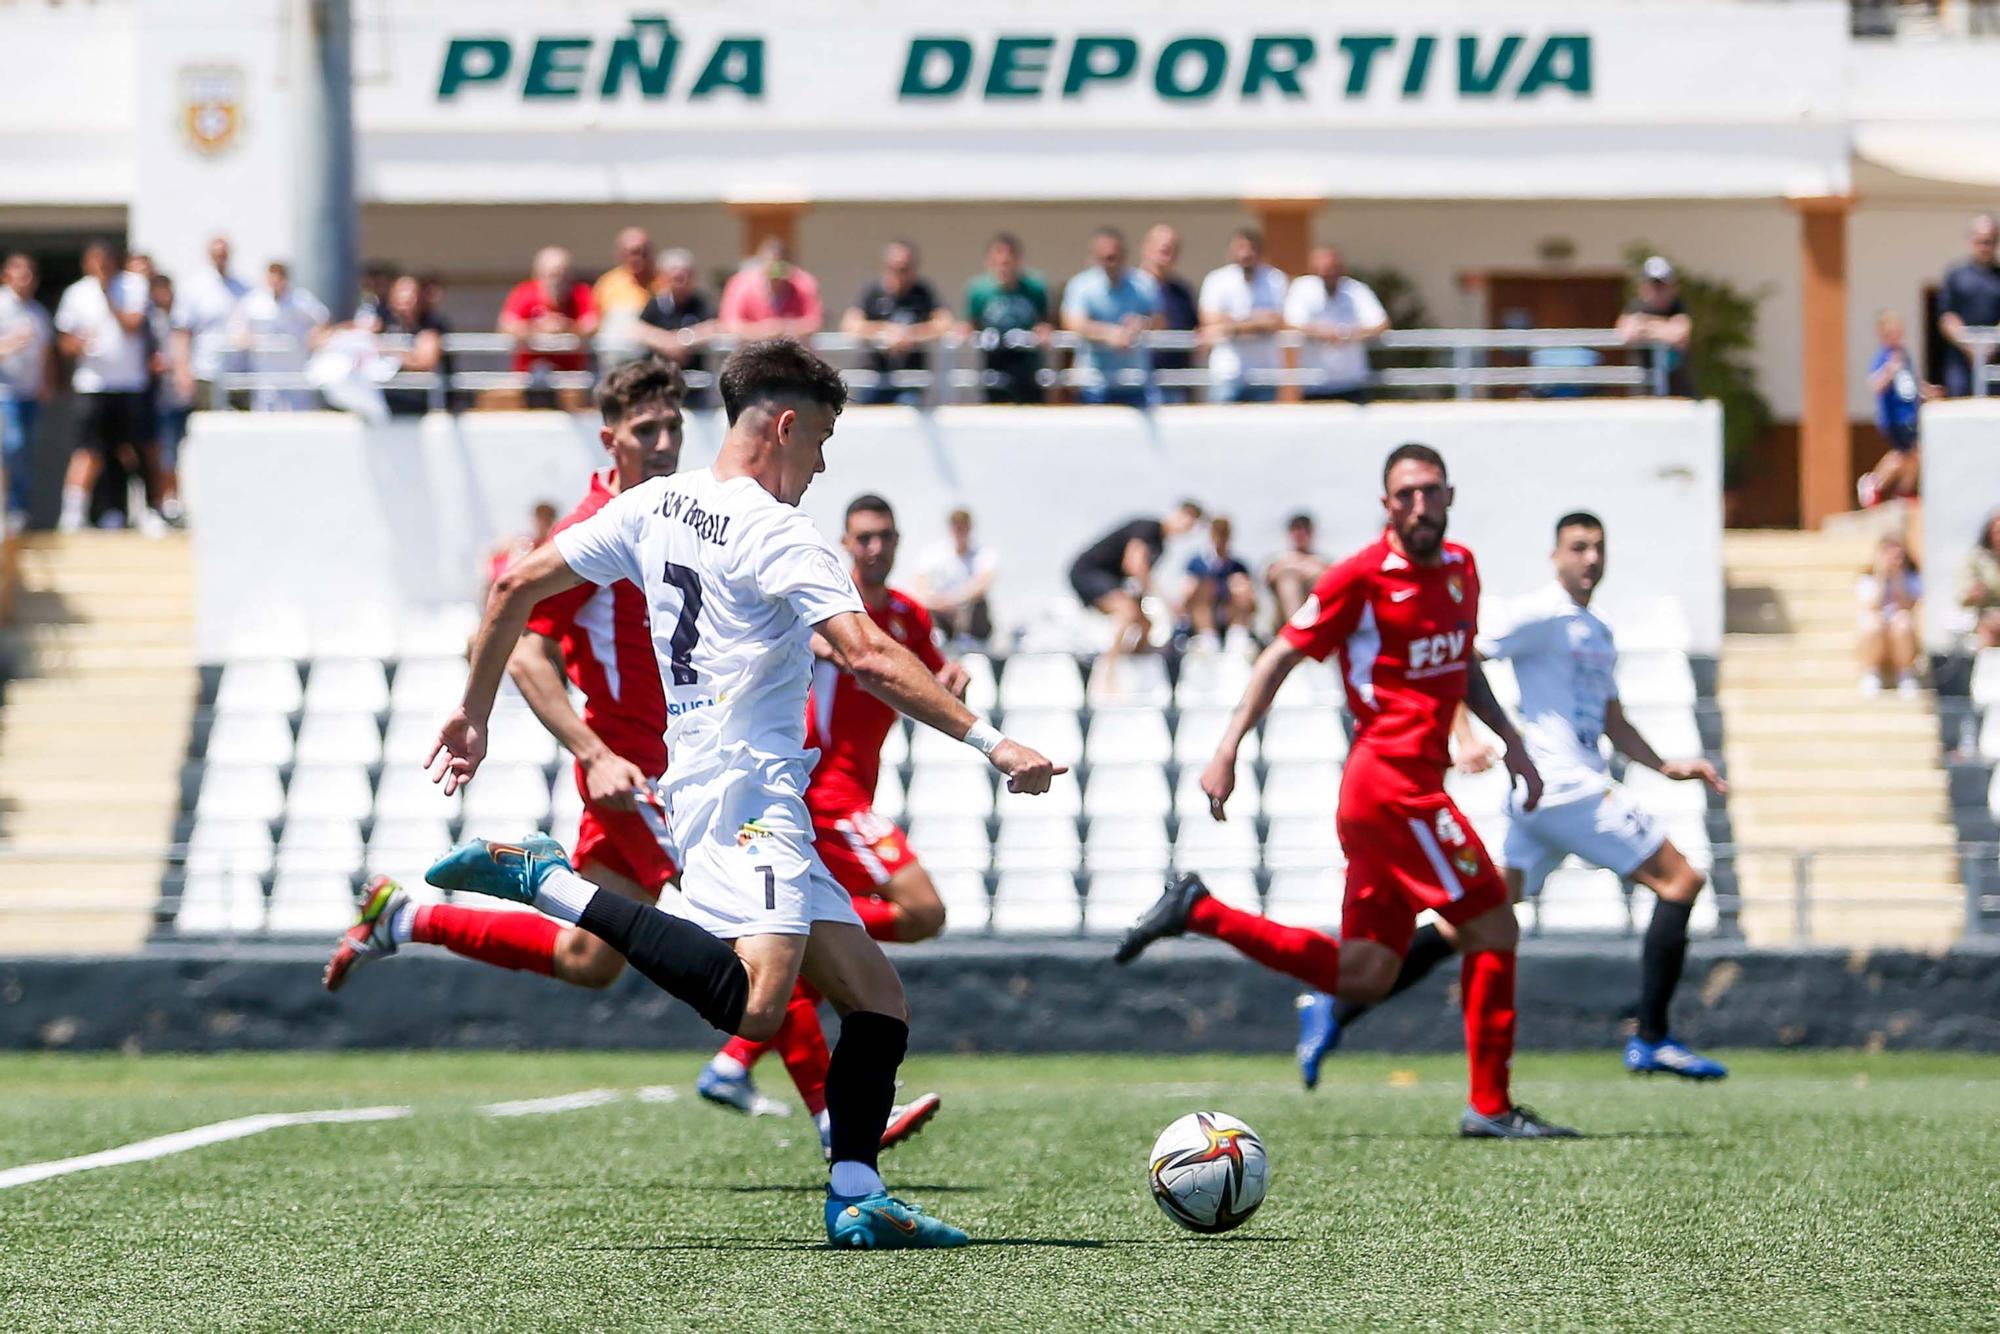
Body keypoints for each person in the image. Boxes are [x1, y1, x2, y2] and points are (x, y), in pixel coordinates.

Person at [420, 338, 1064, 1249]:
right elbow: (870, 656)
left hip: (746, 792)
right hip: (743, 796)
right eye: (824, 441)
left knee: (878, 999)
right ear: (787, 425)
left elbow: (516, 586)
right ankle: (546, 880)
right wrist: (996, 745)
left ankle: (856, 1193)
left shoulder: (652, 504)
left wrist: (472, 712)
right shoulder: (776, 531)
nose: (824, 465)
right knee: (761, 1004)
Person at [1114, 444, 1576, 1140]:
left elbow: (1461, 665)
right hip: (1390, 789)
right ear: (1387, 505)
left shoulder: (1461, 570)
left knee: (1364, 977)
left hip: (1401, 792)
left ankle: (1201, 911)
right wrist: (1228, 745)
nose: (1420, 506)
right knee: (1493, 924)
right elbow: (1281, 653)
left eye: (1430, 492)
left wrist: (1509, 739)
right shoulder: (1360, 577)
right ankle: (1490, 1107)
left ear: (1448, 496)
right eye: (1405, 495)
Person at [327, 360, 687, 995]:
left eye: (673, 428)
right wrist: (595, 753)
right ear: (611, 440)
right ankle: (829, 1096)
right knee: (749, 918)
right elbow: (522, 650)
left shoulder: (674, 517)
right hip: (632, 770)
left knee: (590, 959)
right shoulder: (590, 532)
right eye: (646, 430)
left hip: (671, 757)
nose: (663, 445)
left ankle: (405, 918)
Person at [1374, 514, 1730, 1078]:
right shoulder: (1539, 614)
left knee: (1471, 920)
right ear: (1556, 556)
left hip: (1543, 796)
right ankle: (1654, 1037)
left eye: (1598, 548)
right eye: (1579, 547)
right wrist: (1464, 737)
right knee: (1682, 880)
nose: (1591, 558)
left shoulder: (1599, 630)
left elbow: (1612, 718)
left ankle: (1336, 1006)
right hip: (1564, 786)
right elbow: (1459, 661)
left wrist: (1666, 765)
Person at [694, 492, 963, 1148]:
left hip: (853, 796)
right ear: (846, 543)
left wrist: (948, 679)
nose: (874, 548)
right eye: (863, 537)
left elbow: (926, 675)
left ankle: (734, 1060)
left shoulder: (908, 615)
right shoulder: (820, 607)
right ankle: (761, 1052)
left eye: (885, 537)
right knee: (923, 911)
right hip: (823, 797)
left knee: (810, 947)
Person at [53, 240, 152, 532]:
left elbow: (133, 325)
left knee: (132, 451)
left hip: (130, 385)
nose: (102, 268)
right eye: (96, 262)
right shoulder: (76, 293)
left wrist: (109, 295)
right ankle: (73, 514)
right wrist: (77, 345)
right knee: (89, 450)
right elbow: (63, 341)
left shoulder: (134, 286)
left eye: (106, 261)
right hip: (92, 385)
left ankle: (141, 511)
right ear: (86, 264)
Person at [1067, 502, 1202, 671]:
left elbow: (1137, 582)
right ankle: (1108, 669)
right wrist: (1166, 600)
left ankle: (1129, 665)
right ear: (1175, 514)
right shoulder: (1147, 527)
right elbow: (1133, 564)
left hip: (1114, 581)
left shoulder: (1160, 548)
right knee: (1126, 611)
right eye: (1184, 518)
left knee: (1145, 625)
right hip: (1089, 572)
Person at [1059, 227, 1160, 408]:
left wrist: (1142, 324)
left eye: (1114, 257)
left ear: (1124, 255)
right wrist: (1110, 334)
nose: (1110, 263)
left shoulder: (1143, 284)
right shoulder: (1081, 285)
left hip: (1135, 381)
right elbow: (1072, 323)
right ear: (1094, 257)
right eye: (1105, 257)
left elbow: (1160, 320)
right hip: (1094, 382)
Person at [842, 240, 951, 406]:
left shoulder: (922, 293)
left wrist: (911, 335)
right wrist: (884, 331)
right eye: (894, 268)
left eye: (905, 269)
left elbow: (944, 323)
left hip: (910, 380)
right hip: (875, 377)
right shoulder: (873, 291)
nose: (899, 275)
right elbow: (850, 324)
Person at [1284, 246, 1389, 403]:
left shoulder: (1356, 290)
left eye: (1333, 269)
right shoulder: (1303, 288)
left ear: (1342, 269)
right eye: (1323, 270)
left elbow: (1381, 324)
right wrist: (1320, 333)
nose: (1328, 274)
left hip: (1352, 382)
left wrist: (1347, 334)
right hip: (1314, 384)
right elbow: (1290, 324)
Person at [498, 247, 599, 406]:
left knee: (580, 394)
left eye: (563, 274)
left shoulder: (580, 293)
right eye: (552, 274)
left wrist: (566, 327)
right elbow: (506, 325)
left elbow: (593, 325)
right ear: (538, 274)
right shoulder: (524, 292)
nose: (558, 280)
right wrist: (537, 328)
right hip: (527, 374)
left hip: (571, 374)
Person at [1198, 228, 1289, 404]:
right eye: (1240, 248)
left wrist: (1230, 326)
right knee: (1221, 428)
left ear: (1261, 252)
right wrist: (1257, 321)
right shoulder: (1217, 280)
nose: (1246, 254)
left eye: (1252, 248)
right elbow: (1209, 319)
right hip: (1226, 371)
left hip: (1265, 373)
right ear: (1231, 251)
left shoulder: (1276, 280)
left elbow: (1277, 321)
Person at [0, 254, 55, 533]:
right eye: (19, 273)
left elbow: (46, 353)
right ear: (6, 275)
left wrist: (47, 382)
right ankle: (7, 508)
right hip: (4, 391)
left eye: (30, 274)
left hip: (30, 394)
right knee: (12, 445)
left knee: (25, 452)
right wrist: (8, 345)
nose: (26, 279)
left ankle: (18, 510)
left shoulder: (38, 312)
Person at [1858, 310, 1935, 507]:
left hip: (1909, 416)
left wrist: (1926, 391)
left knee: (1914, 455)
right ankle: (1874, 482)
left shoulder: (1903, 356)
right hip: (1895, 417)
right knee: (1902, 454)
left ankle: (1904, 492)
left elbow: (1910, 384)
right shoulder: (1884, 357)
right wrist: (1889, 370)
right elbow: (1875, 384)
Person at [231, 261, 330, 412]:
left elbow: (322, 319)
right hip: (265, 373)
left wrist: (313, 336)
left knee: (299, 413)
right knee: (265, 412)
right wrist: (248, 338)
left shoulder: (301, 299)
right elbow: (238, 328)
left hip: (295, 371)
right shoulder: (254, 301)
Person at [962, 233, 1049, 404]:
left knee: (1029, 407)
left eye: (1008, 262)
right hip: (995, 358)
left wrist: (1043, 331)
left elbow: (1044, 321)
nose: (1004, 267)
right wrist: (966, 330)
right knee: (996, 405)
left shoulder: (1034, 288)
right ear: (989, 262)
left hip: (1026, 360)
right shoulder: (979, 290)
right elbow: (971, 323)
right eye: (999, 262)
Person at [172, 234, 250, 410]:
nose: (220, 258)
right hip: (205, 371)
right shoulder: (194, 287)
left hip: (238, 372)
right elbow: (182, 331)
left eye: (224, 254)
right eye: (217, 254)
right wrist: (182, 371)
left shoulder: (243, 288)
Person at [631, 249, 717, 402]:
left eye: (684, 275)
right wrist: (666, 342)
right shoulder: (655, 303)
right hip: (659, 383)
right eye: (675, 277)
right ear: (664, 277)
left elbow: (713, 327)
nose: (680, 280)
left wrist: (683, 341)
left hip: (694, 387)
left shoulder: (701, 302)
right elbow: (639, 329)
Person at [913, 506, 998, 646]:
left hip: (971, 619)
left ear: (970, 528)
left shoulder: (984, 554)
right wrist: (937, 602)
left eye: (963, 526)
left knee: (979, 603)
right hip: (943, 616)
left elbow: (984, 583)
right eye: (956, 526)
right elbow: (920, 582)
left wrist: (954, 600)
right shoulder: (935, 554)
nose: (960, 531)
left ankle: (973, 640)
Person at [1938, 213, 2000, 398]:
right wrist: (1972, 348)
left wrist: (1990, 347)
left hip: (1995, 360)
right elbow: (1946, 317)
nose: (1984, 246)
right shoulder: (1956, 275)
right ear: (1970, 240)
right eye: (1980, 241)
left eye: (1989, 241)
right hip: (1961, 361)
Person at [147, 272, 190, 526]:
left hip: (178, 399)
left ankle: (173, 503)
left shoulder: (181, 319)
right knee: (162, 453)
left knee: (172, 452)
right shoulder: (149, 322)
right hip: (157, 398)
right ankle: (163, 503)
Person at [1616, 256, 1694, 397]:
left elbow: (1680, 335)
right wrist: (1664, 328)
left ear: (1673, 287)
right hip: (1644, 391)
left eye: (1662, 286)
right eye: (1653, 285)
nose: (1658, 291)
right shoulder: (1635, 307)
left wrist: (1645, 326)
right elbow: (1626, 334)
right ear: (1643, 288)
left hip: (1678, 392)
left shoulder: (1678, 307)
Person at [717, 238, 823, 341]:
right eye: (771, 265)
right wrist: (762, 331)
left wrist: (783, 328)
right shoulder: (741, 284)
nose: (775, 273)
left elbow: (814, 322)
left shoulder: (804, 283)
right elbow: (730, 323)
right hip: (751, 354)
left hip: (792, 353)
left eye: (780, 266)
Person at [1139, 224, 1199, 404]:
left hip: (1175, 382)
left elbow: (1193, 330)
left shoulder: (1181, 292)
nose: (1165, 250)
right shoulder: (1130, 288)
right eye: (1160, 246)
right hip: (1138, 381)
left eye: (1171, 247)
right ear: (1146, 248)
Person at [1857, 535, 1922, 697]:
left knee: (1902, 621)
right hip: (1877, 633)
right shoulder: (1867, 579)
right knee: (1873, 623)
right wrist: (1881, 575)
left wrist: (1898, 578)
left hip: (1900, 632)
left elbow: (1908, 605)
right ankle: (1871, 672)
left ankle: (1905, 672)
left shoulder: (1912, 578)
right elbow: (1872, 606)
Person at [1181, 515, 1256, 652]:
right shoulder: (1196, 564)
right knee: (1203, 587)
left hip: (1229, 613)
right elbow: (1185, 597)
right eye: (1217, 533)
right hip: (1203, 616)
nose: (1221, 538)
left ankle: (1237, 635)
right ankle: (1207, 638)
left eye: (1224, 533)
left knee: (1241, 587)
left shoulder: (1238, 566)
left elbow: (1252, 602)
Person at [381, 274, 451, 417]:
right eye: (401, 295)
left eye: (411, 295)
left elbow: (425, 360)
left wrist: (390, 353)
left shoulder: (431, 323)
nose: (406, 301)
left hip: (420, 402)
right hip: (386, 400)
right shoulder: (385, 323)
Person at [1263, 511, 1329, 632]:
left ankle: (1305, 630)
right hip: (1283, 618)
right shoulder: (1279, 559)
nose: (1301, 533)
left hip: (1317, 614)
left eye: (1305, 529)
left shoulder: (1322, 561)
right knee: (1289, 577)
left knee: (1320, 576)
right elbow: (1269, 577)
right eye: (1297, 528)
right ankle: (1297, 630)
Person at [593, 226, 657, 344]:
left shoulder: (663, 282)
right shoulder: (607, 283)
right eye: (634, 252)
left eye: (644, 252)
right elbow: (596, 320)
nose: (639, 258)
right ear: (621, 254)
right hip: (617, 353)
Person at [1958, 509, 2000, 648]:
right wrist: (1973, 593)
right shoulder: (1978, 560)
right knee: (1989, 627)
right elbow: (1962, 596)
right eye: (1997, 532)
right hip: (1986, 618)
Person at [352, 261, 397, 333]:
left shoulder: (396, 306)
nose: (376, 288)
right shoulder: (367, 303)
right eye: (373, 284)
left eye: (380, 283)